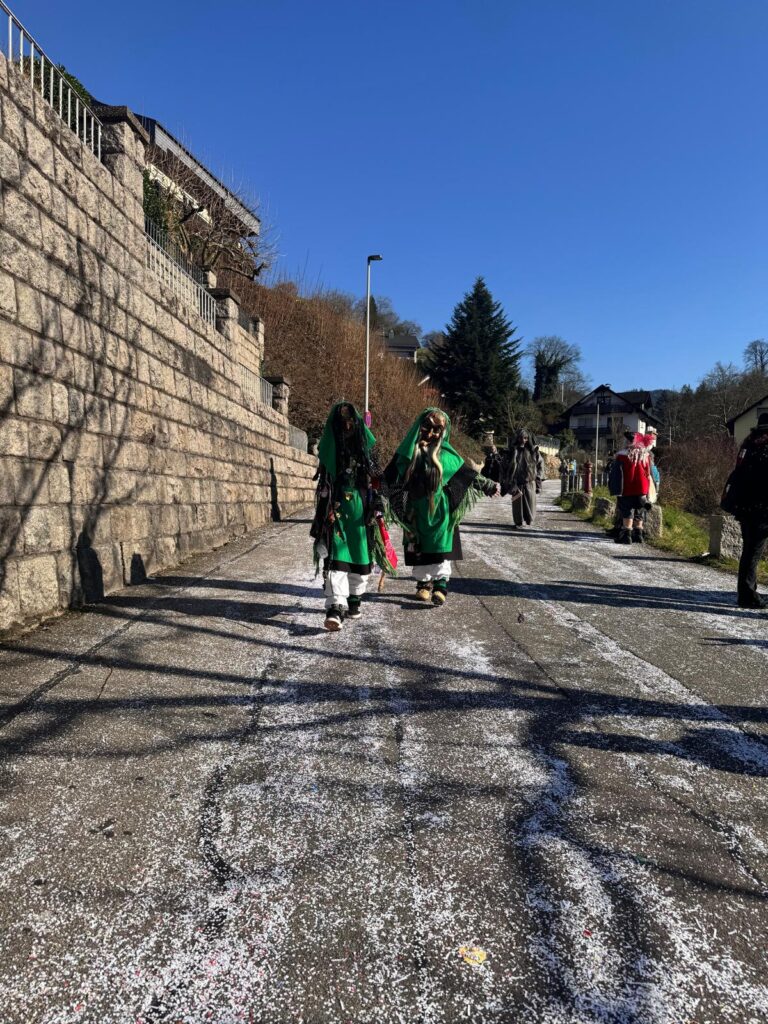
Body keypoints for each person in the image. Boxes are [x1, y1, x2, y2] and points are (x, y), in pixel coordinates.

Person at [384, 407, 499, 606]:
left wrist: (488, 485)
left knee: (440, 545)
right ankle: (423, 583)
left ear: (443, 432)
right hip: (415, 511)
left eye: (437, 429)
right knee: (418, 545)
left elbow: (467, 475)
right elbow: (389, 476)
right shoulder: (408, 453)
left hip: (440, 512)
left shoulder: (447, 455)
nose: (431, 433)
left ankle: (440, 584)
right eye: (426, 427)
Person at [310, 401, 383, 631]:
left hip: (362, 514)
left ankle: (354, 599)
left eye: (351, 421)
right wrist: (325, 510)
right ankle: (335, 607)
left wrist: (377, 505)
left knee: (361, 557)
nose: (347, 426)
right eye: (342, 423)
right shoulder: (330, 452)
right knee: (335, 557)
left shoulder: (368, 452)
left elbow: (377, 481)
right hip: (337, 511)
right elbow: (325, 483)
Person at [721, 412, 768, 609]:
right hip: (762, 507)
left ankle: (746, 594)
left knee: (749, 551)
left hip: (744, 505)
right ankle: (748, 596)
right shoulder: (764, 447)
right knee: (753, 552)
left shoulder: (749, 444)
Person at [609, 430, 654, 544]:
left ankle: (626, 535)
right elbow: (649, 473)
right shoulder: (646, 455)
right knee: (639, 510)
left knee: (627, 510)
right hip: (642, 488)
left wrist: (614, 488)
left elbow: (616, 474)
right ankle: (638, 534)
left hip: (627, 487)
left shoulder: (622, 455)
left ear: (628, 442)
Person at [501, 429, 544, 528]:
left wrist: (538, 479)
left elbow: (540, 465)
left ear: (528, 439)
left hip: (530, 482)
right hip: (516, 483)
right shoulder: (511, 452)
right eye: (521, 438)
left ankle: (529, 520)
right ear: (517, 438)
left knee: (530, 504)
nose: (523, 440)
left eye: (525, 438)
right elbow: (503, 466)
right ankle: (518, 522)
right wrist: (505, 480)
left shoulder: (533, 451)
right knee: (517, 505)